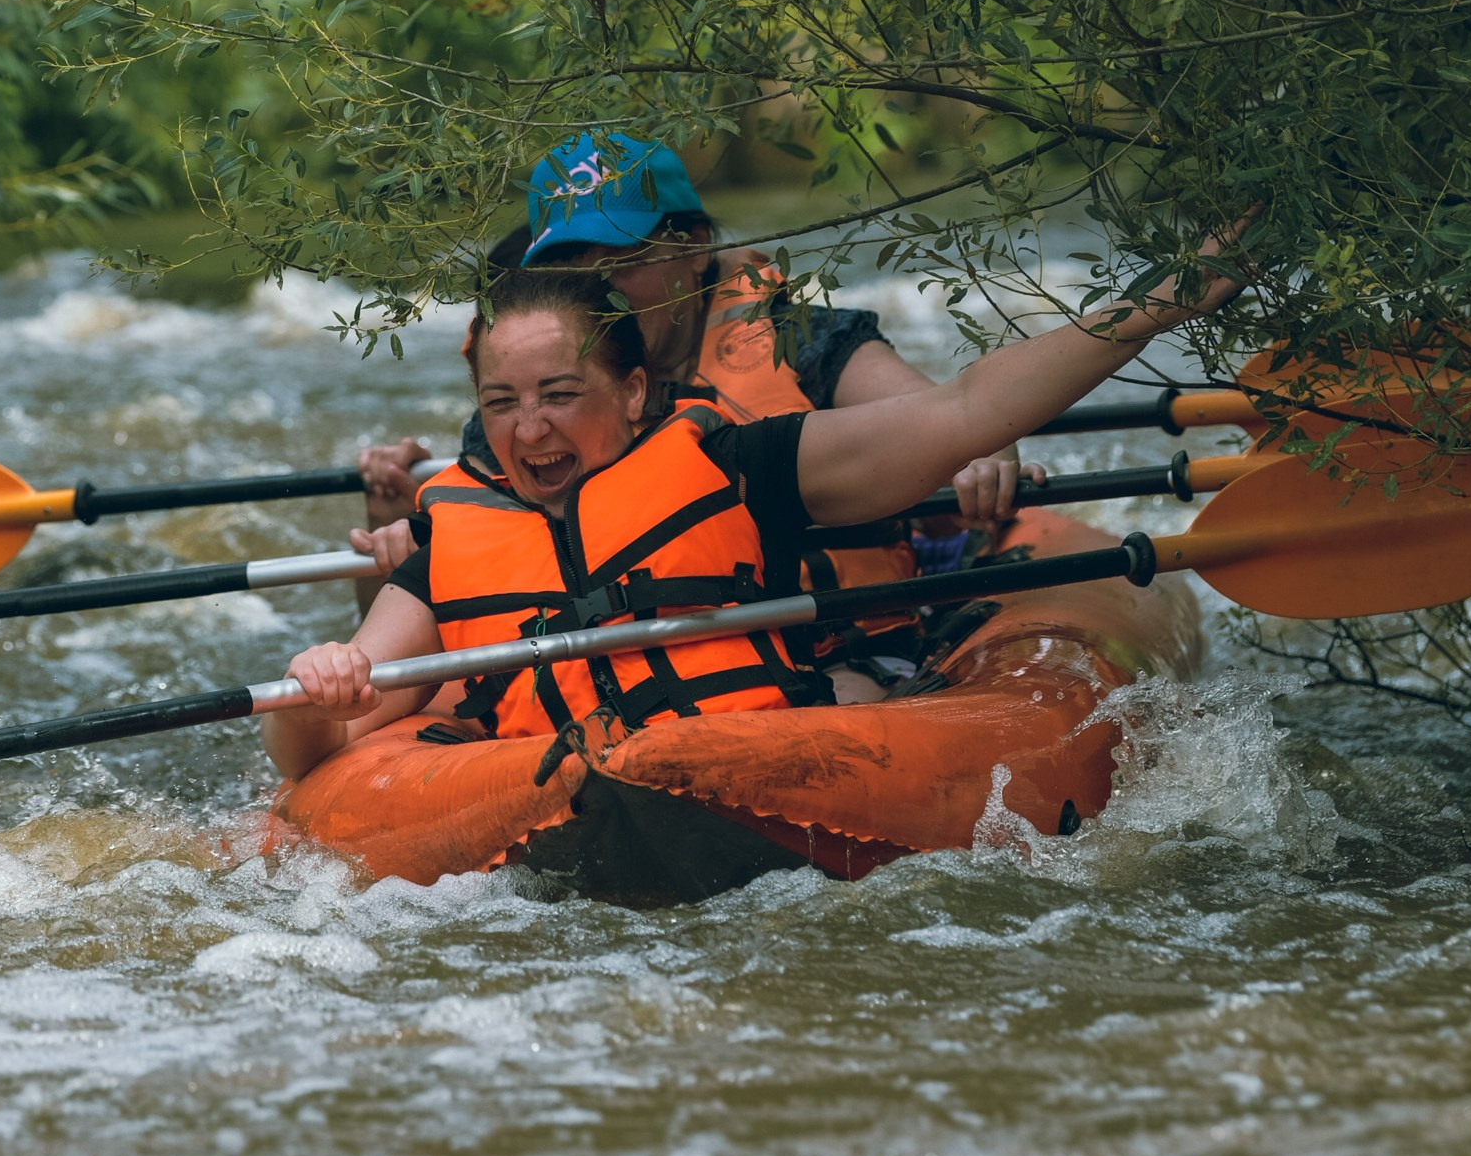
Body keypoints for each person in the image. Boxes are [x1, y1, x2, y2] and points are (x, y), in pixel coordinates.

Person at [271, 246, 1233, 782]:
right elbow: (322, 748)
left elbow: (969, 410)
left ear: (635, 391)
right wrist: (316, 684)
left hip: (765, 773)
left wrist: (1177, 293)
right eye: (501, 404)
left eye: (560, 394)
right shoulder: (457, 534)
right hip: (561, 801)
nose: (530, 430)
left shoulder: (738, 465)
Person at [353, 129, 1020, 541]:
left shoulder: (800, 339)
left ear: (695, 248)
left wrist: (984, 458)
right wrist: (391, 513)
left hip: (827, 643)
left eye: (625, 262)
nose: (601, 292)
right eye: (571, 270)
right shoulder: (527, 412)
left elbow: (945, 422)